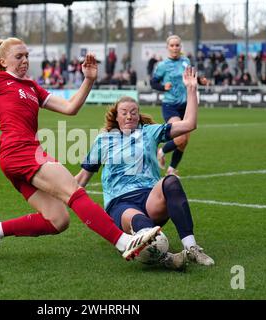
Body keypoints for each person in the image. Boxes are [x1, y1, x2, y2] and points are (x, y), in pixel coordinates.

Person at [0, 37, 161, 262]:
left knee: (58, 220)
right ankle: (123, 241)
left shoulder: (32, 86)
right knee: (73, 190)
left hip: (18, 156)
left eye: (26, 55)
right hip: (17, 150)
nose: (24, 60)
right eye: (18, 56)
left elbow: (70, 108)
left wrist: (88, 80)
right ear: (3, 61)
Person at [76, 67, 214, 267]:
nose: (129, 116)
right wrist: (57, 190)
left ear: (139, 116)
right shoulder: (104, 140)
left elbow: (189, 124)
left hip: (151, 198)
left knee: (171, 181)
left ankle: (192, 248)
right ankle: (166, 259)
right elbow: (81, 179)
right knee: (140, 222)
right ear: (116, 117)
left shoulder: (149, 132)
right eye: (124, 113)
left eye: (134, 112)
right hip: (120, 203)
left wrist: (191, 90)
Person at [151, 35, 195, 175]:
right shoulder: (162, 65)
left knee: (184, 141)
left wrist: (201, 80)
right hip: (170, 106)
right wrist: (164, 87)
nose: (175, 48)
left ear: (180, 47)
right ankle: (161, 152)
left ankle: (171, 170)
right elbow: (153, 82)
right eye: (172, 45)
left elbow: (191, 77)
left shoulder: (186, 61)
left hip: (186, 105)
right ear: (167, 47)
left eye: (177, 45)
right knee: (180, 137)